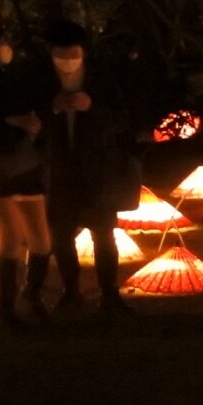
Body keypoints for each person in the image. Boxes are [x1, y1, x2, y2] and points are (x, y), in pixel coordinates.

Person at [37, 20, 139, 316]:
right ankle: (71, 292)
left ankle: (109, 294)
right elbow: (29, 117)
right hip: (58, 170)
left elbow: (123, 120)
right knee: (62, 236)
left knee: (104, 234)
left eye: (73, 56)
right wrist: (52, 108)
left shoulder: (102, 78)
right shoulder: (41, 80)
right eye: (61, 57)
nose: (67, 63)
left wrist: (91, 107)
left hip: (98, 169)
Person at [0, 21, 50, 328]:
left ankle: (33, 294)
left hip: (23, 164)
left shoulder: (10, 79)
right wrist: (10, 122)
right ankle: (7, 308)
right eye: (2, 41)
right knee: (11, 235)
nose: (8, 47)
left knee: (42, 239)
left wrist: (32, 127)